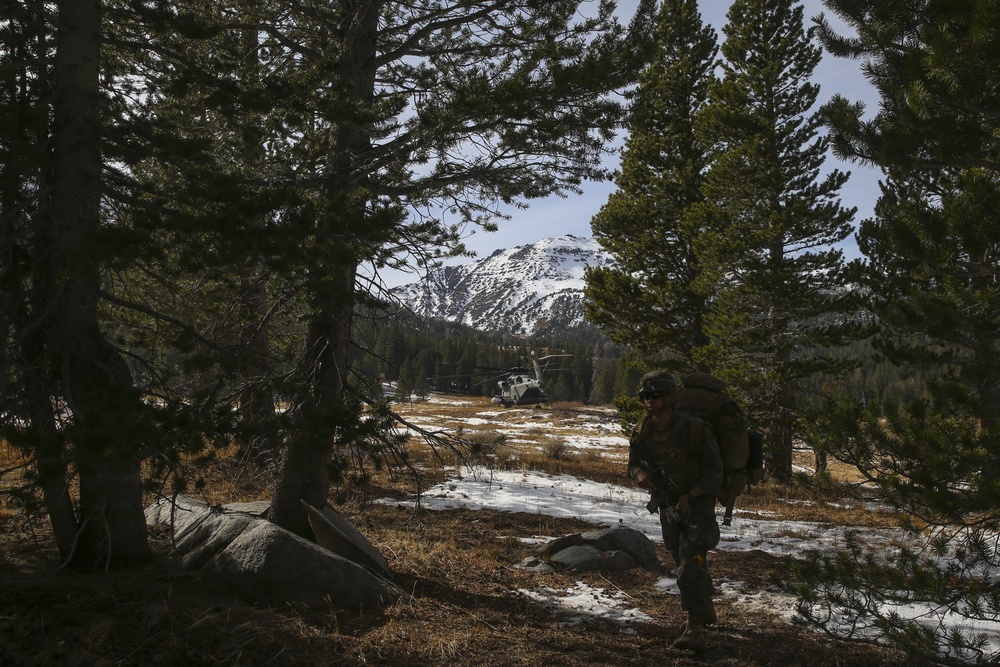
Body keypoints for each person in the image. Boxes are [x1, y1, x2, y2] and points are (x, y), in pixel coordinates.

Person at [627, 370, 723, 651]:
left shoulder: (694, 428)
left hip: (697, 504)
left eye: (655, 396)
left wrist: (691, 496)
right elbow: (632, 464)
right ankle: (704, 608)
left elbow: (714, 472)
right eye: (645, 396)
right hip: (668, 504)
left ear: (670, 397)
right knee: (680, 555)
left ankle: (695, 628)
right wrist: (639, 474)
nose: (649, 402)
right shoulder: (642, 429)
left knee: (688, 564)